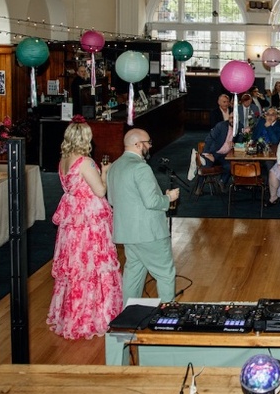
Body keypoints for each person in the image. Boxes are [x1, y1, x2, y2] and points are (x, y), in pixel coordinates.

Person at [46, 117, 121, 340]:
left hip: (73, 218)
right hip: (89, 220)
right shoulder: (85, 162)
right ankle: (95, 315)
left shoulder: (63, 160)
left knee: (75, 266)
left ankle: (71, 314)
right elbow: (99, 191)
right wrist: (105, 172)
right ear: (85, 138)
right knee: (94, 264)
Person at [108, 128, 180, 305]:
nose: (150, 146)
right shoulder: (141, 168)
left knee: (134, 273)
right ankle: (166, 317)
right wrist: (168, 198)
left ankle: (128, 315)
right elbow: (151, 202)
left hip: (128, 232)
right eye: (148, 142)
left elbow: (111, 199)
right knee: (165, 273)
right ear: (137, 144)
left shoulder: (114, 166)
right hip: (149, 233)